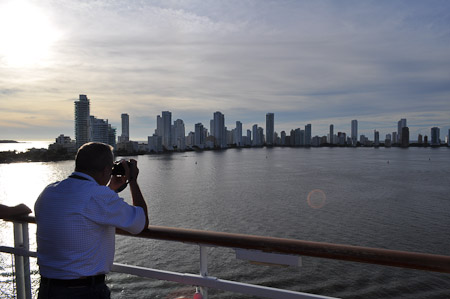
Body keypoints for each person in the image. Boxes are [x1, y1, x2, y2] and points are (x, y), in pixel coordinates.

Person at [34, 142, 149, 299]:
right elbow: (140, 223)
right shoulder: (98, 196)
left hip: (48, 289)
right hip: (83, 292)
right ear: (106, 170)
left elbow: (84, 209)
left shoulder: (49, 191)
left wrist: (111, 188)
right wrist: (133, 181)